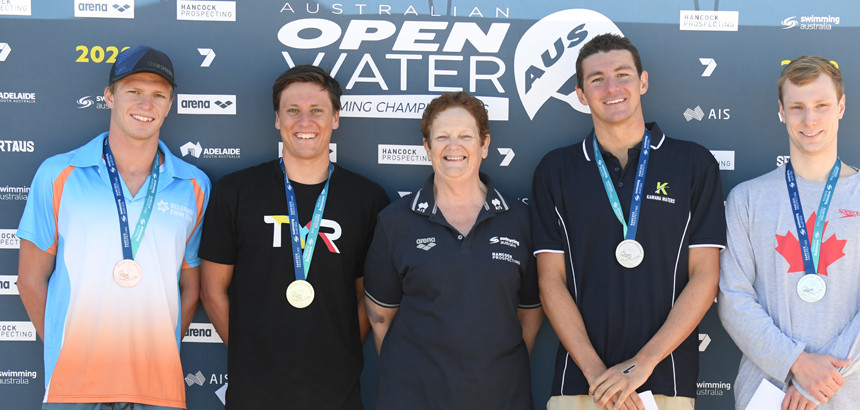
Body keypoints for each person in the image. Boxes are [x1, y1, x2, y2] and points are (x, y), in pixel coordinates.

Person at [530, 33, 726, 410]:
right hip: (580, 383)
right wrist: (596, 374)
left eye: (622, 74)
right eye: (597, 79)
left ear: (643, 82)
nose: (612, 87)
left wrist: (642, 364)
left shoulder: (692, 164)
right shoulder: (555, 170)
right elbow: (550, 281)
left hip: (665, 380)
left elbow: (706, 276)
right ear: (581, 94)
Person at [17, 46, 209, 409]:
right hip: (72, 389)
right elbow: (30, 279)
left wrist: (161, 347)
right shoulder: (58, 174)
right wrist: (68, 348)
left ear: (170, 105)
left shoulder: (194, 185)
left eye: (158, 95)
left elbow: (192, 286)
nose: (145, 104)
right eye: (133, 91)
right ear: (109, 96)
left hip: (158, 388)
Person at [718, 56, 860, 410]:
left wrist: (820, 381)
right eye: (797, 107)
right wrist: (798, 363)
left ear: (841, 106)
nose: (810, 119)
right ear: (781, 111)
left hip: (850, 398)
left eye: (821, 105)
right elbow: (733, 299)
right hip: (767, 397)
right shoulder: (747, 199)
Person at [198, 65, 389, 409]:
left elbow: (369, 298)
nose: (305, 122)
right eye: (293, 111)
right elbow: (212, 290)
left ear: (335, 118)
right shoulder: (235, 192)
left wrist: (339, 354)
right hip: (253, 393)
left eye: (317, 110)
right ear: (277, 119)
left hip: (336, 393)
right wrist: (249, 356)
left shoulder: (368, 200)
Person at [364, 91, 543, 409]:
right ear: (427, 147)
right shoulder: (396, 221)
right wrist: (410, 374)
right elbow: (380, 316)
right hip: (411, 397)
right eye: (442, 136)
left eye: (465, 136)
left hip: (501, 396)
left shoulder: (520, 220)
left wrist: (493, 369)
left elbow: (530, 313)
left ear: (484, 144)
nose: (453, 146)